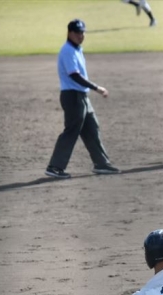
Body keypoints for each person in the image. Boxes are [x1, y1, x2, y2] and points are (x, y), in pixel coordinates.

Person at [45, 19, 119, 179]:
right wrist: (96, 87)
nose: (81, 35)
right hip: (72, 96)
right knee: (72, 130)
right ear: (70, 33)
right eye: (78, 33)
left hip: (82, 97)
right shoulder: (68, 51)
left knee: (92, 129)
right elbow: (74, 75)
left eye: (82, 32)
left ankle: (101, 163)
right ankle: (55, 167)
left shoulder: (77, 49)